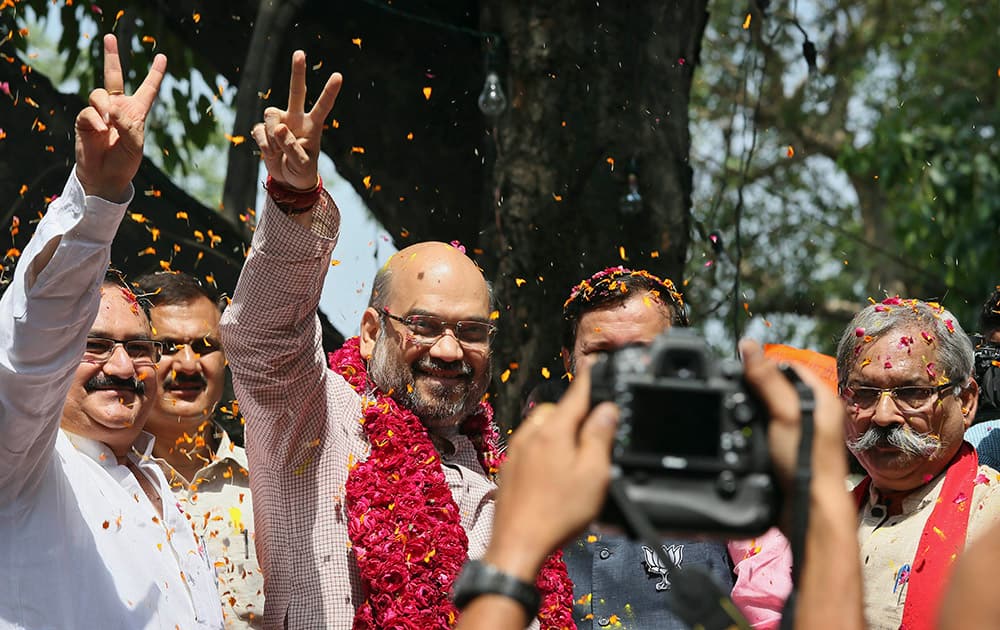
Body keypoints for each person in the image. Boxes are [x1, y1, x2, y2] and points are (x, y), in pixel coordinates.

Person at [218, 52, 572, 629]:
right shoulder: (315, 419)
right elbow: (266, 339)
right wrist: (294, 202)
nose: (450, 352)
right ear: (371, 331)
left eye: (472, 332)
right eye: (426, 326)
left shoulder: (506, 472)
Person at [0, 35, 223, 628]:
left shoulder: (154, 480)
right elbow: (31, 344)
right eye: (94, 346)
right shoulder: (25, 462)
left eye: (140, 348)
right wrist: (96, 199)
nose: (124, 369)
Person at [453, 340, 864, 630]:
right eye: (608, 359)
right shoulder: (545, 480)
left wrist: (512, 558)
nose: (631, 384)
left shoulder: (738, 484)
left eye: (644, 358)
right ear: (570, 364)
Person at [558, 266, 789, 629]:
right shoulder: (526, 470)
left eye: (641, 352)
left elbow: (768, 604)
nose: (622, 370)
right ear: (568, 361)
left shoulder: (732, 465)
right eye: (600, 353)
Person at [836, 297, 1000, 629]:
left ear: (966, 403)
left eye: (911, 392)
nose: (883, 416)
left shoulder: (991, 521)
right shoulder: (817, 518)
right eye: (864, 393)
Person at [134, 270, 263, 628]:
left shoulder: (265, 486)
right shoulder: (103, 478)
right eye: (168, 347)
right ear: (135, 357)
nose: (189, 364)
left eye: (205, 346)